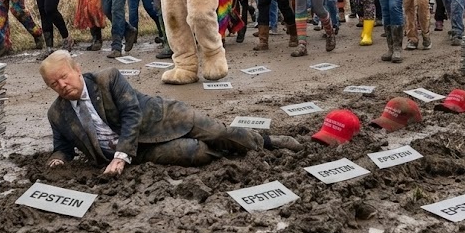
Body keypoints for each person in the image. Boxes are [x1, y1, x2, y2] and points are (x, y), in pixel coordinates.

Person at [41, 50, 301, 173]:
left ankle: (265, 141)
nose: (62, 86)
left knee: (217, 133)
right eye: (54, 84)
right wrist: (59, 158)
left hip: (163, 118)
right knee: (194, 152)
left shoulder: (107, 79)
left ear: (76, 69)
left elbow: (132, 114)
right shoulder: (57, 113)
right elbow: (62, 146)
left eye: (64, 77)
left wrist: (120, 155)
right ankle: (233, 154)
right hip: (141, 151)